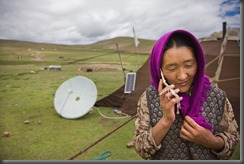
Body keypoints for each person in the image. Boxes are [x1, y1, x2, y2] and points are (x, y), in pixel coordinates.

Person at [133, 29, 240, 160]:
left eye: (189, 65)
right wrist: (165, 121)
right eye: (172, 68)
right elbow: (141, 149)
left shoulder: (217, 96)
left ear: (198, 62)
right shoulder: (148, 99)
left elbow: (233, 140)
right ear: (159, 69)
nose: (182, 76)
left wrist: (212, 141)